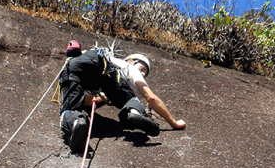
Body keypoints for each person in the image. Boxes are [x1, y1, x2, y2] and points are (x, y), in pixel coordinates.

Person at [58, 43, 186, 152]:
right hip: (108, 73)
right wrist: (174, 123)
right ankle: (133, 112)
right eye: (142, 68)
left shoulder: (98, 56)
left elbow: (87, 101)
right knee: (131, 100)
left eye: (144, 73)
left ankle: (77, 121)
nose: (142, 73)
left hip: (77, 67)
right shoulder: (128, 67)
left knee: (69, 108)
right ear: (131, 61)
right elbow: (150, 97)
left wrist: (101, 99)